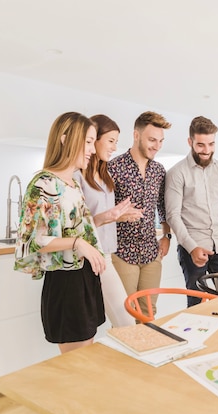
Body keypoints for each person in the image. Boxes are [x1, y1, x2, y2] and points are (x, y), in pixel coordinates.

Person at [14, 111, 106, 354]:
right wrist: (77, 243)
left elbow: (81, 228)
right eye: (88, 142)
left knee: (88, 352)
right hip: (66, 283)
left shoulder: (73, 184)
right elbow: (31, 241)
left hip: (84, 278)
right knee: (77, 363)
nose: (93, 150)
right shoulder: (42, 184)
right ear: (66, 139)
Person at [165, 116, 218, 306]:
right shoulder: (177, 173)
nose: (207, 150)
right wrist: (192, 247)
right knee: (197, 304)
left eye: (211, 144)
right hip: (193, 248)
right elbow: (172, 215)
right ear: (190, 142)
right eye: (200, 145)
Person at [78, 114, 142, 327]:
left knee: (124, 321)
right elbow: (81, 224)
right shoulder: (78, 176)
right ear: (94, 139)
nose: (115, 147)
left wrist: (120, 216)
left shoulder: (104, 175)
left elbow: (101, 216)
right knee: (124, 322)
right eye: (111, 141)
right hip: (88, 258)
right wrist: (107, 217)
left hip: (105, 254)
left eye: (116, 141)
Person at [108, 111, 172, 318]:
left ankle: (148, 350)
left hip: (151, 252)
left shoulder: (159, 171)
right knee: (126, 315)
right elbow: (100, 211)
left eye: (160, 141)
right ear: (136, 135)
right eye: (152, 139)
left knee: (148, 313)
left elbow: (162, 205)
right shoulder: (113, 167)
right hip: (122, 252)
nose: (157, 146)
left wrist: (167, 235)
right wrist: (118, 216)